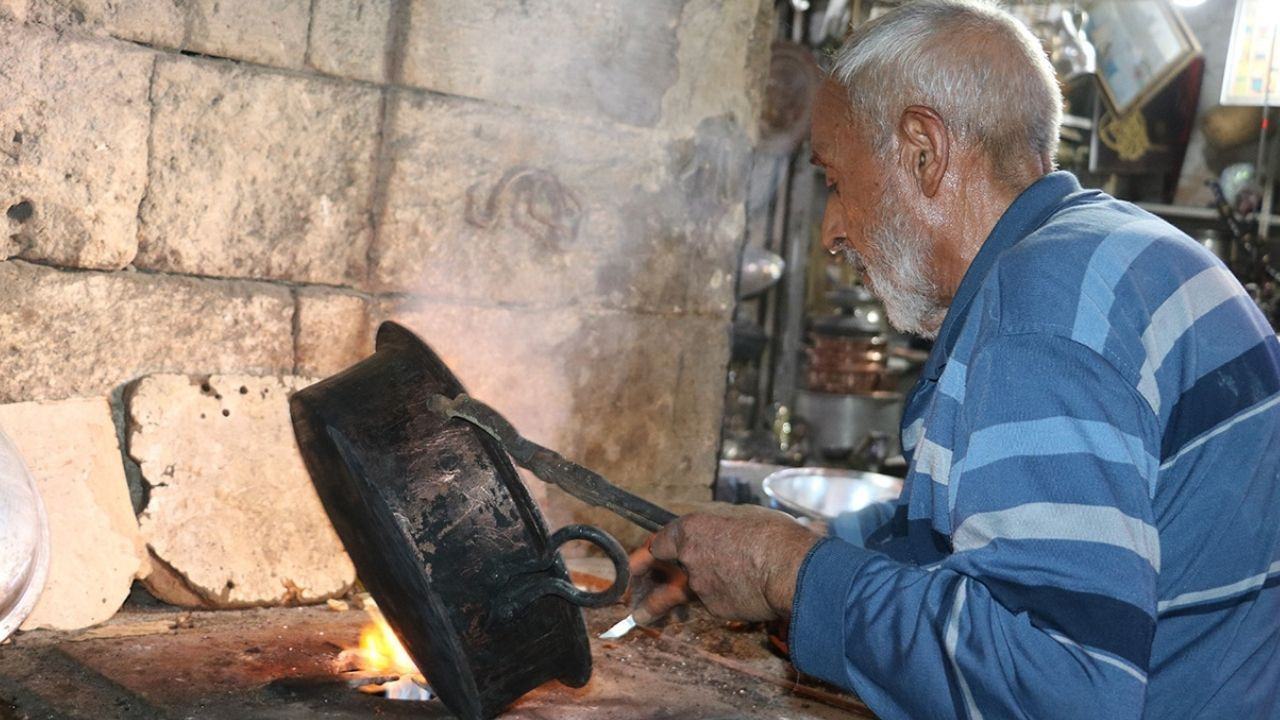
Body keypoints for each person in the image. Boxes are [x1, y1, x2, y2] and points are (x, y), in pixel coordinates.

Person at [629, 1, 1280, 718]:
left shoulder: (1038, 321)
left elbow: (1059, 686)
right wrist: (800, 544)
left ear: (922, 150)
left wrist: (787, 571)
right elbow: (977, 538)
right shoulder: (1105, 254)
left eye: (836, 181)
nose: (832, 232)